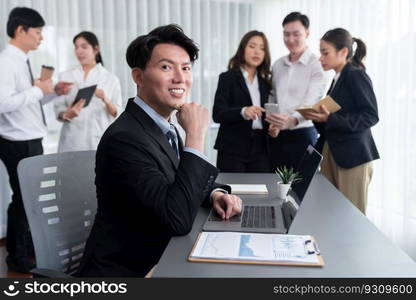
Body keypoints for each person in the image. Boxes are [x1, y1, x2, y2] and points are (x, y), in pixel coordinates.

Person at [77, 24, 242, 277]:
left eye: (186, 68)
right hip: (129, 270)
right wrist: (196, 136)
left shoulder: (164, 126)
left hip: (163, 257)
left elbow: (182, 180)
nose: (180, 78)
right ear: (138, 76)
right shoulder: (125, 138)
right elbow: (176, 219)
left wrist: (216, 194)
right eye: (166, 67)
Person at [0, 7, 72, 273]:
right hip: (18, 141)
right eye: (38, 32)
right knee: (23, 199)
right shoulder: (6, 61)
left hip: (29, 137)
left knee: (30, 198)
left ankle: (28, 249)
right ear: (21, 30)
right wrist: (37, 89)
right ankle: (16, 258)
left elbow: (28, 102)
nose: (41, 38)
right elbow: (3, 103)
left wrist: (51, 92)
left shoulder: (21, 60)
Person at [301, 28, 379, 214]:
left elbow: (371, 115)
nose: (321, 58)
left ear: (343, 52)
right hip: (333, 153)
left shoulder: (355, 74)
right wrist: (318, 117)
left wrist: (331, 118)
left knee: (351, 216)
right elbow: (334, 120)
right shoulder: (338, 78)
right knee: (332, 214)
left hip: (351, 158)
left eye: (325, 52)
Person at [266, 12, 328, 171]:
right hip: (278, 136)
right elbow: (273, 96)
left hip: (303, 134)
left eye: (296, 34)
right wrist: (273, 121)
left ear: (307, 33)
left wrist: (293, 120)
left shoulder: (316, 64)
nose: (290, 39)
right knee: (275, 186)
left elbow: (313, 100)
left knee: (302, 189)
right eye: (286, 34)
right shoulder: (278, 64)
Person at [212, 30, 272, 172]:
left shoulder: (265, 82)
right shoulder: (227, 78)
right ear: (242, 48)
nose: (257, 52)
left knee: (262, 191)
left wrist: (272, 127)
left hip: (261, 148)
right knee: (232, 192)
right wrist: (243, 111)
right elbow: (218, 114)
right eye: (252, 46)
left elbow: (265, 114)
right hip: (233, 147)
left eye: (262, 48)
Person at [54, 31, 122, 152]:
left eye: (84, 47)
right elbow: (58, 108)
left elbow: (117, 113)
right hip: (71, 140)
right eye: (76, 47)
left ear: (96, 49)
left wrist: (105, 99)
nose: (79, 51)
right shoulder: (66, 76)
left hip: (97, 141)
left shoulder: (110, 79)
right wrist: (66, 114)